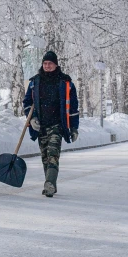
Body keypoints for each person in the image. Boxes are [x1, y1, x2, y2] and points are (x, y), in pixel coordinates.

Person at [22, 51, 79, 197]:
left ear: (56, 65)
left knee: (53, 153)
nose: (47, 66)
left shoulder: (65, 83)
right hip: (41, 125)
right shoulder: (35, 82)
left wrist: (74, 127)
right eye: (45, 63)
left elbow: (72, 107)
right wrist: (32, 118)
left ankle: (50, 184)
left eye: (50, 63)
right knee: (45, 156)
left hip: (57, 125)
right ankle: (50, 182)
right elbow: (27, 102)